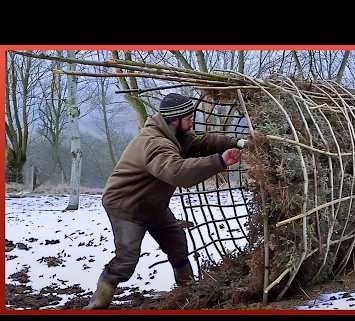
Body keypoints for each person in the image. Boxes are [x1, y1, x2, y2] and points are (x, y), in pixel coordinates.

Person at [84, 93, 247, 309]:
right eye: (188, 117)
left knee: (177, 243)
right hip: (127, 206)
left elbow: (202, 141)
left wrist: (237, 141)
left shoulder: (176, 135)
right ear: (175, 119)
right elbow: (177, 172)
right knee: (126, 261)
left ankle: (188, 293)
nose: (192, 120)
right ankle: (97, 304)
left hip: (154, 205)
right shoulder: (154, 143)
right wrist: (220, 161)